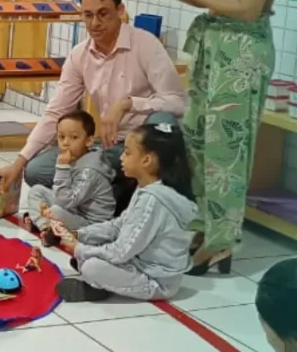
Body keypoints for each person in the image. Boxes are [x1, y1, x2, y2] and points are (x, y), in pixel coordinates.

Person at [145, 0, 278, 276]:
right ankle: (205, 227)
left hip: (240, 54)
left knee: (227, 153)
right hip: (213, 47)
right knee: (199, 141)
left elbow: (249, 7)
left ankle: (222, 241)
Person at [0, 0, 187, 197]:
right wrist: (19, 162)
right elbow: (56, 111)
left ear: (120, 10)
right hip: (108, 149)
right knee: (36, 171)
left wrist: (129, 104)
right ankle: (111, 191)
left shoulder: (146, 44)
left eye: (103, 14)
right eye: (88, 15)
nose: (95, 23)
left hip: (142, 147)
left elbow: (178, 102)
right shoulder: (79, 55)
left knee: (164, 122)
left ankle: (120, 189)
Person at [56, 123, 197, 303]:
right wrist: (80, 234)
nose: (121, 157)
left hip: (156, 281)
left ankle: (99, 284)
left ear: (147, 160)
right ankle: (98, 279)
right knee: (94, 250)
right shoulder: (147, 187)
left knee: (92, 266)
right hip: (138, 261)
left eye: (128, 152)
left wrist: (79, 248)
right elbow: (120, 224)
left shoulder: (153, 200)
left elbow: (121, 251)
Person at [23, 110, 115, 246]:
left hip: (91, 223)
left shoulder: (90, 171)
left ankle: (50, 226)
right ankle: (46, 228)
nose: (66, 143)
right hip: (74, 208)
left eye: (74, 137)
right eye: (61, 137)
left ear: (89, 141)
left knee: (55, 211)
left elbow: (65, 202)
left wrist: (62, 168)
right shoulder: (73, 158)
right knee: (37, 190)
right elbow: (64, 195)